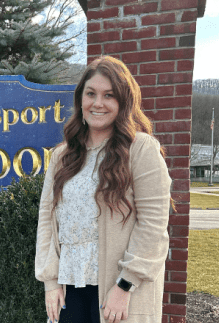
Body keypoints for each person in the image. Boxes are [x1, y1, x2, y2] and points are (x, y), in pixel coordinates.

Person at [35, 56, 173, 323]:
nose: (98, 103)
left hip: (118, 290)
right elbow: (46, 221)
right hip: (69, 288)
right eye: (91, 94)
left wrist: (125, 285)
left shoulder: (140, 149)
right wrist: (50, 282)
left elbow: (154, 225)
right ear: (80, 99)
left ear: (123, 102)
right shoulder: (62, 156)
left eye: (109, 95)